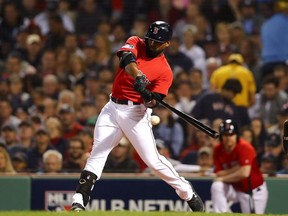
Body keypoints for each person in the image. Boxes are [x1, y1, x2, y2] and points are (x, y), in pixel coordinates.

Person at [71, 21, 204, 212]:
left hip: (135, 113)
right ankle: (79, 201)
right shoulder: (136, 41)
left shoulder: (165, 71)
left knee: (153, 162)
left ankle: (186, 191)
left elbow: (155, 101)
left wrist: (148, 96)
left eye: (157, 42)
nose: (151, 44)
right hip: (112, 107)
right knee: (98, 152)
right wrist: (139, 76)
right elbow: (126, 58)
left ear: (167, 44)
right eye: (150, 39)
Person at [211, 119, 268, 214]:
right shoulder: (218, 149)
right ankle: (220, 213)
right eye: (225, 135)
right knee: (217, 186)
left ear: (236, 135)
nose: (228, 138)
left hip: (252, 191)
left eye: (231, 135)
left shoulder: (245, 147)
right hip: (235, 188)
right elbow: (219, 173)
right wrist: (238, 167)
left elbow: (244, 173)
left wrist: (224, 177)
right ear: (221, 136)